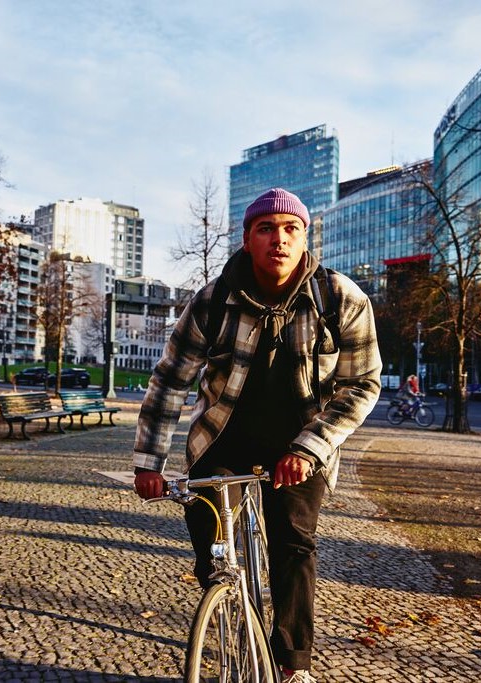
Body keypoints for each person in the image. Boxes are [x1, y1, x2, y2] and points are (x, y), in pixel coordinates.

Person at [133, 187, 382, 683]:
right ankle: (225, 597)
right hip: (224, 437)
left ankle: (292, 664)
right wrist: (149, 462)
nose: (279, 239)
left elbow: (362, 383)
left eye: (291, 229)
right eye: (266, 229)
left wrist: (309, 448)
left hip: (300, 445)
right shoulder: (212, 301)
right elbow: (171, 379)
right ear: (248, 239)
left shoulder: (340, 298)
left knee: (293, 541)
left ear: (305, 237)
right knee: (209, 528)